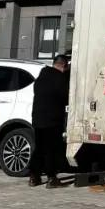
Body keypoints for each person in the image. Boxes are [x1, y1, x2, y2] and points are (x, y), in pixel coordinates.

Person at [29, 53, 70, 188]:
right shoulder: (60, 78)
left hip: (37, 118)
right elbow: (65, 97)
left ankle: (34, 177)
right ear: (64, 66)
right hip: (52, 120)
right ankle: (51, 178)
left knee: (39, 148)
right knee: (51, 149)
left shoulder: (42, 75)